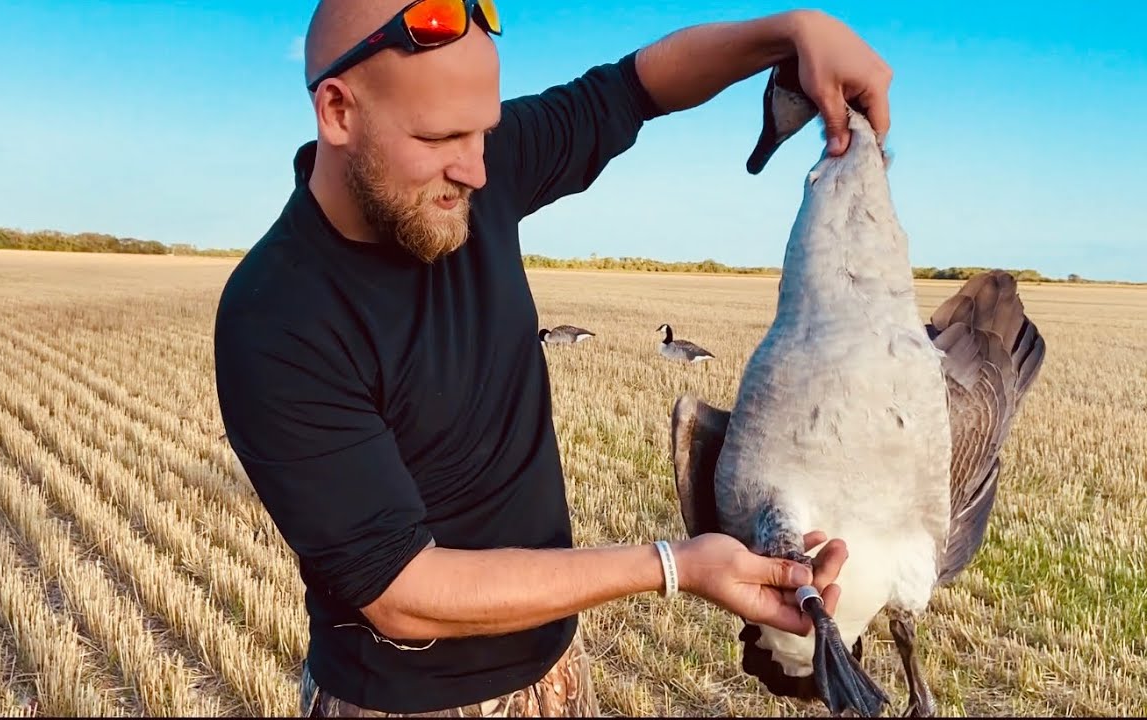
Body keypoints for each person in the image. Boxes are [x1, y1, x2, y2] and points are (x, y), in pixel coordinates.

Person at [213, 0, 893, 716]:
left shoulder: (474, 172)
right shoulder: (278, 315)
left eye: (486, 130)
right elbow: (403, 595)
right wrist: (673, 566)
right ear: (339, 112)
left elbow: (636, 87)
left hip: (556, 672)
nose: (477, 171)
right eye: (442, 135)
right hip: (406, 703)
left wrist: (788, 30)